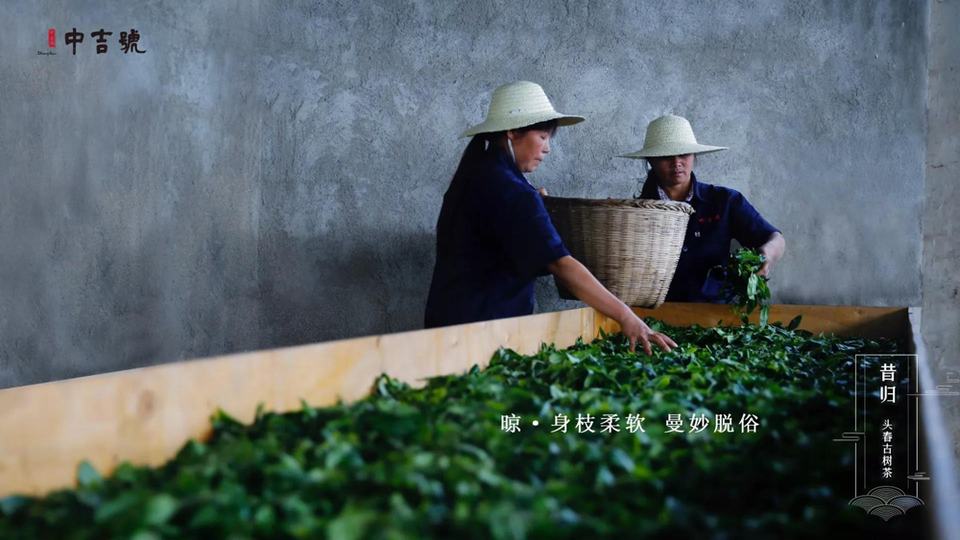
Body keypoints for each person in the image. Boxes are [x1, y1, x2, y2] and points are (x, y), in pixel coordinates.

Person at [424, 81, 675, 355]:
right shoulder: (511, 190)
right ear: (512, 132)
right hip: (484, 332)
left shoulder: (477, 175)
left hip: (446, 324)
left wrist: (535, 205)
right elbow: (561, 264)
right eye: (543, 136)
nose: (547, 149)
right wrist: (628, 318)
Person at [620, 114, 786, 302]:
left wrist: (766, 256)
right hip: (652, 315)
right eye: (666, 156)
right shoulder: (635, 213)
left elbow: (775, 238)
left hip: (715, 314)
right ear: (651, 160)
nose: (677, 163)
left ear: (694, 156)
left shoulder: (725, 201)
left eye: (684, 154)